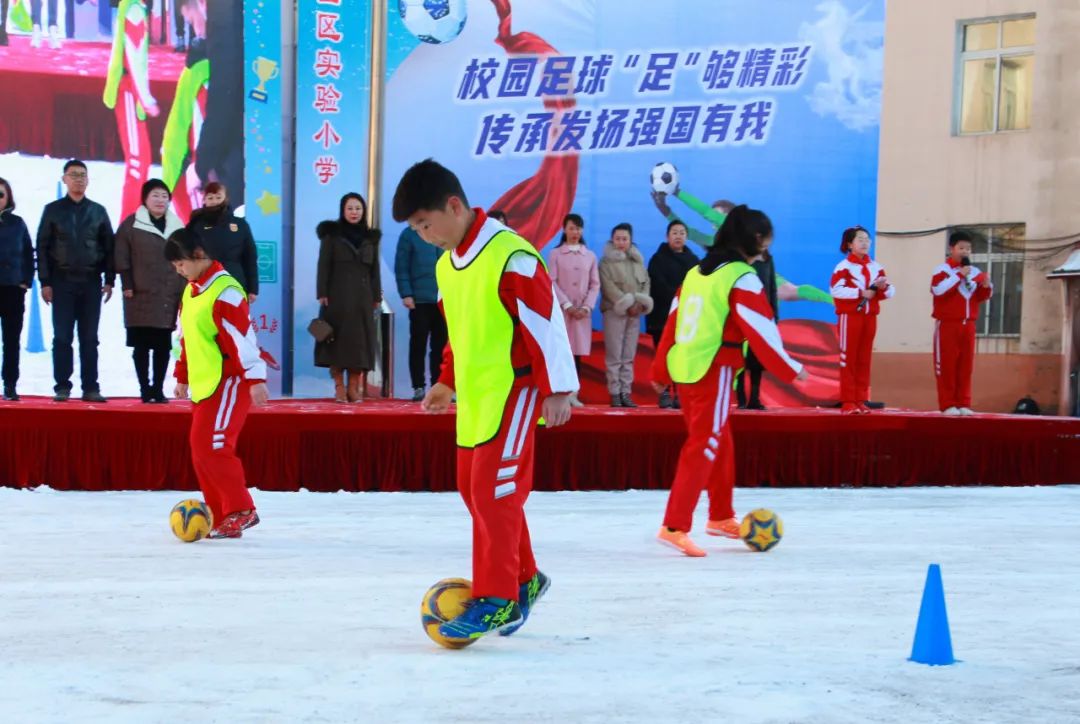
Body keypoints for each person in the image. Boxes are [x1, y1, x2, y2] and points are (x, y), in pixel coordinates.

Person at [392, 159, 577, 641]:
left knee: (496, 495)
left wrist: (557, 389)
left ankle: (497, 598)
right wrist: (446, 381)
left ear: (454, 206)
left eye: (425, 224)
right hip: (475, 396)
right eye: (416, 228)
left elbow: (545, 323)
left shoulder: (510, 254)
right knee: (476, 492)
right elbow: (460, 330)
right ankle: (525, 577)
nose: (424, 235)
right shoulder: (446, 266)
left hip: (515, 391)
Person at [651, 205, 806, 557]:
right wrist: (791, 368)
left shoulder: (696, 273)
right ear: (754, 239)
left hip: (686, 369)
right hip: (713, 369)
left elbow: (671, 325)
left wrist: (660, 371)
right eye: (766, 240)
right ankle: (675, 525)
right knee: (704, 444)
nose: (767, 248)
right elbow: (762, 328)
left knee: (719, 440)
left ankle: (720, 516)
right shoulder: (741, 276)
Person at [166, 227, 268, 539]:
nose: (179, 271)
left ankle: (241, 510)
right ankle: (221, 514)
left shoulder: (226, 290)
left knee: (214, 445)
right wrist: (182, 376)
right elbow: (187, 337)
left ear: (198, 255)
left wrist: (255, 378)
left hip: (231, 379)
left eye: (181, 263)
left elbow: (242, 339)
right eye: (175, 267)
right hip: (206, 383)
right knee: (200, 448)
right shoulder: (193, 289)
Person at [36, 160, 115, 403]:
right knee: (62, 337)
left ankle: (91, 387)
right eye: (74, 175)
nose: (79, 179)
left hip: (91, 282)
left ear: (88, 180)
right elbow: (43, 246)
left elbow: (109, 248)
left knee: (90, 338)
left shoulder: (98, 211)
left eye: (83, 175)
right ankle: (62, 386)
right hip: (61, 282)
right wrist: (45, 282)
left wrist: (109, 279)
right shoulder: (52, 210)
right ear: (65, 179)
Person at [114, 179, 186, 403]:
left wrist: (184, 292)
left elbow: (185, 260)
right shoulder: (131, 224)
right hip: (138, 294)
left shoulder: (178, 227)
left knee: (163, 344)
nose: (160, 200)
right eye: (155, 195)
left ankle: (157, 388)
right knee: (142, 344)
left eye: (164, 196)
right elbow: (121, 255)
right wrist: (126, 283)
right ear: (145, 199)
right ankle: (145, 388)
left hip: (168, 294)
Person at [315, 193, 382, 403]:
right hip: (337, 296)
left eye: (358, 208)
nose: (354, 212)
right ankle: (339, 388)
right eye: (350, 208)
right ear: (343, 210)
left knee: (359, 344)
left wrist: (376, 294)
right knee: (335, 341)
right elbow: (323, 265)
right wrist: (322, 292)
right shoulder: (331, 235)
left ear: (363, 211)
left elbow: (375, 270)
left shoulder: (370, 238)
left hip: (363, 297)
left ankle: (354, 388)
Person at [103, 0, 162, 222]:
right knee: (137, 163)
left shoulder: (133, 8)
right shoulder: (134, 9)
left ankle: (134, 221)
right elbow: (134, 57)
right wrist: (145, 98)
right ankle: (128, 225)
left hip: (131, 91)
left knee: (142, 160)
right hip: (129, 91)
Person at [830, 226, 894, 414]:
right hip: (850, 317)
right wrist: (860, 292)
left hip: (870, 317)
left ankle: (860, 399)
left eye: (867, 239)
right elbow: (835, 289)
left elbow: (890, 291)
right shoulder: (844, 267)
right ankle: (848, 401)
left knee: (864, 360)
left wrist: (882, 289)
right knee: (848, 359)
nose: (865, 242)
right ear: (850, 244)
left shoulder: (876, 267)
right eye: (860, 239)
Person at [931, 230, 993, 416]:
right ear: (952, 249)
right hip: (948, 325)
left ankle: (963, 403)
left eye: (968, 248)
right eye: (961, 248)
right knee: (947, 367)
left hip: (969, 325)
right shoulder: (942, 270)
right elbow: (938, 290)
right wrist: (958, 275)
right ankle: (948, 404)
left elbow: (981, 297)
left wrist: (986, 285)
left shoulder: (974, 272)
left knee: (965, 367)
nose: (965, 252)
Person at [161, 0, 208, 221]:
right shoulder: (199, 61)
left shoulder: (206, 68)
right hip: (185, 162)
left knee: (200, 242)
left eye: (190, 18)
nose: (193, 26)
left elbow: (202, 121)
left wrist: (198, 166)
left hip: (194, 169)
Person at [548, 213, 599, 407]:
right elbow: (551, 282)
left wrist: (586, 306)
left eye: (578, 228)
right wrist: (566, 305)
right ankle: (560, 392)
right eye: (571, 228)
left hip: (582, 314)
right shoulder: (555, 254)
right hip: (562, 312)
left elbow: (595, 284)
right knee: (561, 352)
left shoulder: (590, 256)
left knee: (576, 354)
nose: (575, 232)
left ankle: (574, 393)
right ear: (564, 229)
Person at [646, 220, 700, 408]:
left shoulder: (695, 262)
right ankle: (664, 393)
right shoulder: (658, 259)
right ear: (667, 236)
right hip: (662, 318)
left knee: (683, 357)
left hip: (687, 319)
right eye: (675, 233)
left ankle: (680, 393)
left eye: (682, 233)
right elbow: (658, 286)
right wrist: (679, 300)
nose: (678, 236)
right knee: (664, 356)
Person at [599, 222, 651, 408]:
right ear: (612, 240)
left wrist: (639, 303)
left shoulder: (638, 262)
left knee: (628, 355)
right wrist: (626, 303)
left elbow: (646, 283)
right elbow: (608, 287)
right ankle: (614, 393)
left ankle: (626, 393)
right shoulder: (605, 263)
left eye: (625, 239)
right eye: (618, 239)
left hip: (635, 314)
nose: (621, 242)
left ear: (630, 240)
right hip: (615, 312)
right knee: (614, 355)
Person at [395, 221, 445, 402]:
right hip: (419, 301)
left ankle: (438, 386)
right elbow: (402, 267)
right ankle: (418, 387)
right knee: (418, 345)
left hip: (442, 299)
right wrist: (406, 293)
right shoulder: (409, 235)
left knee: (440, 347)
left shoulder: (442, 231)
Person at [186, 182, 258, 300]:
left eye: (218, 197)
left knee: (234, 317)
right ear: (204, 200)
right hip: (204, 284)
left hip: (234, 282)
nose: (214, 201)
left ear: (226, 199)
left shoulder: (240, 225)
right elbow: (187, 256)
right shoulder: (195, 225)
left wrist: (253, 289)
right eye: (210, 198)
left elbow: (250, 257)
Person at [0, 177, 34, 401]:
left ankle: (10, 384)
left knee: (11, 341)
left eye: (1, 194)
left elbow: (28, 255)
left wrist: (25, 282)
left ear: (8, 198)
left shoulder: (18, 223)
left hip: (12, 289)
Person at [736, 245, 779, 410]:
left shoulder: (768, 259)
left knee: (757, 359)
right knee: (740, 358)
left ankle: (754, 398)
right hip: (742, 313)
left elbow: (772, 288)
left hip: (762, 316)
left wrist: (774, 316)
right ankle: (740, 399)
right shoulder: (742, 258)